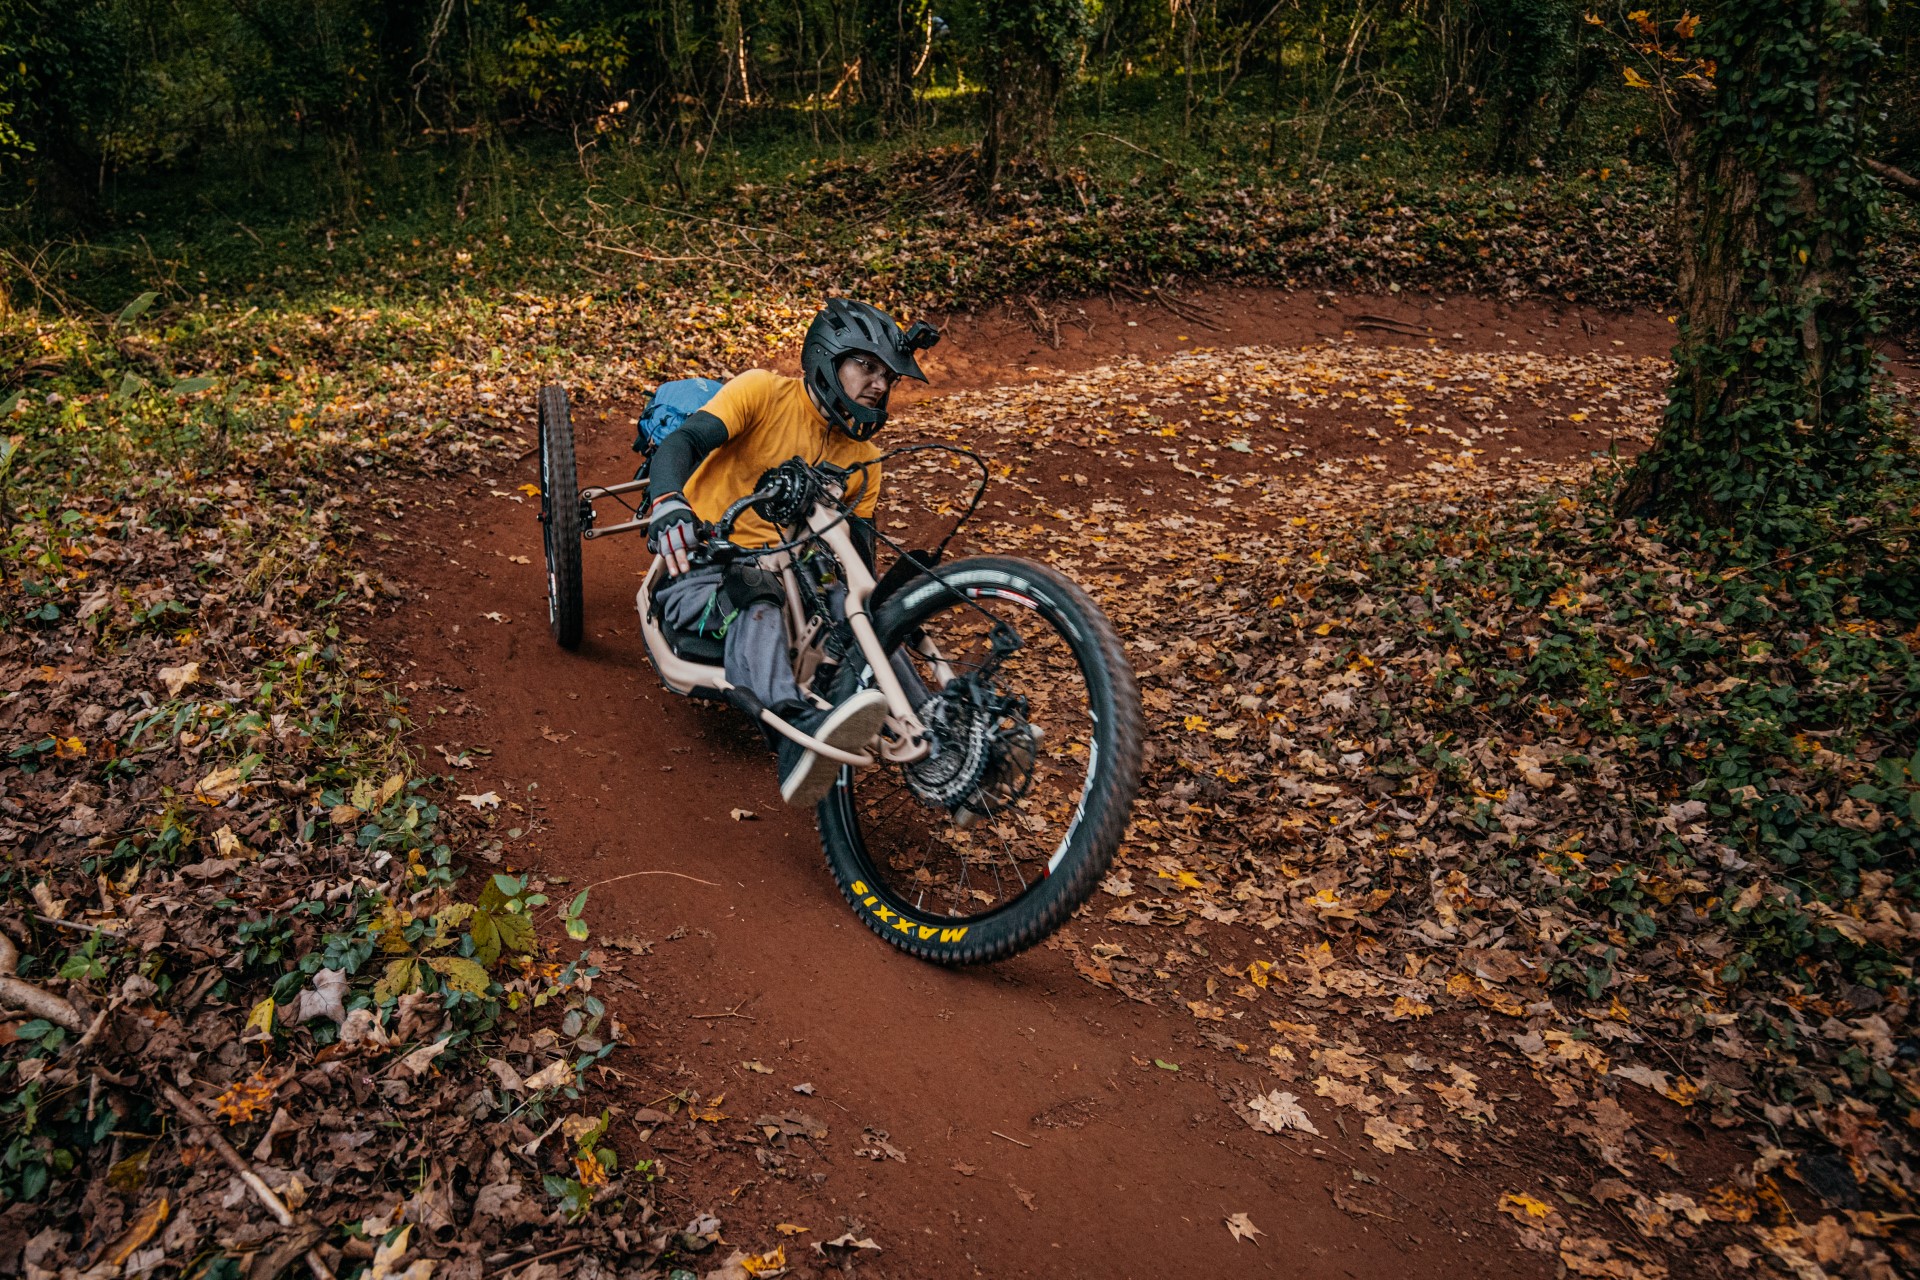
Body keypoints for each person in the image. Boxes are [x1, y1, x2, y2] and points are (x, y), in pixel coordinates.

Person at [644, 298, 934, 808]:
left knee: (861, 609)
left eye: (889, 376)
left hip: (799, 580)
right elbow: (684, 442)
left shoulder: (865, 460)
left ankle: (939, 733)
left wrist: (880, 613)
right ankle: (792, 735)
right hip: (706, 566)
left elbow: (859, 561)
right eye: (866, 367)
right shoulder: (763, 393)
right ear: (827, 357)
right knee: (759, 591)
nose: (880, 386)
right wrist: (670, 502)